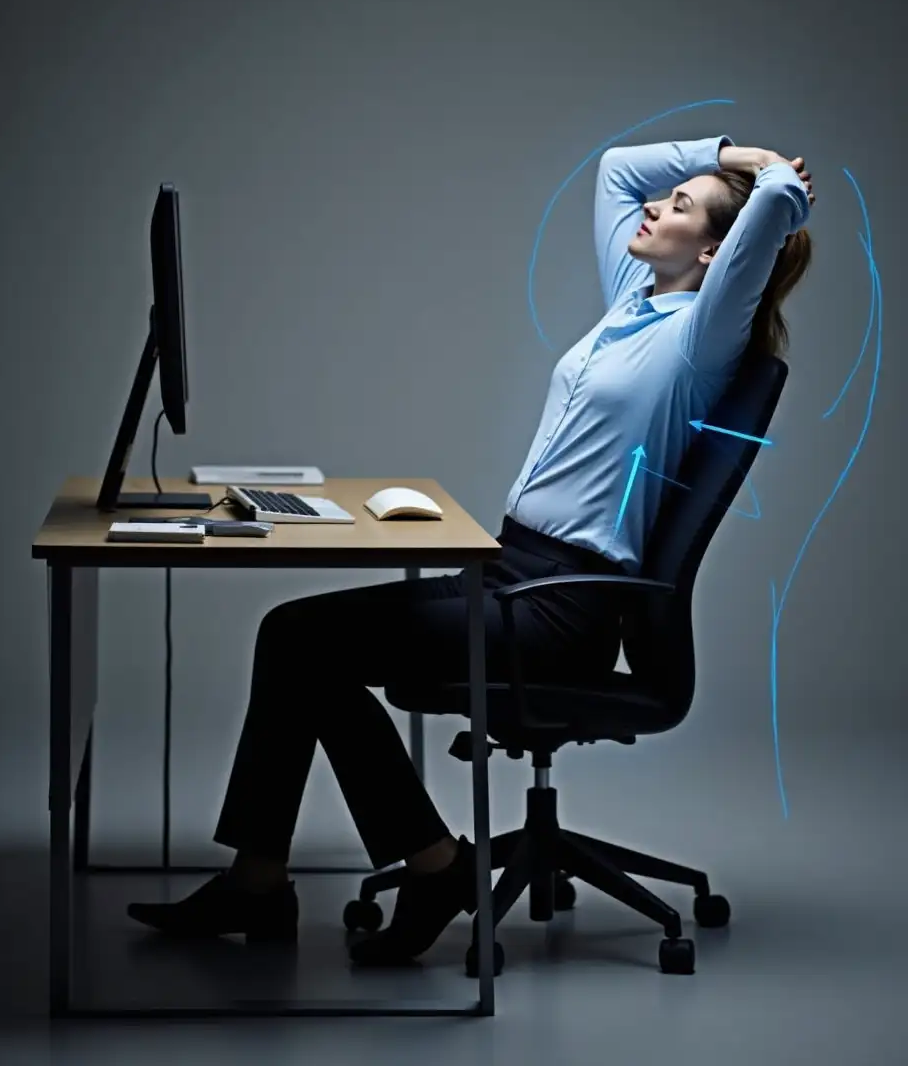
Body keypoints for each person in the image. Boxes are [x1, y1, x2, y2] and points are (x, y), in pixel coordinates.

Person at [127, 134, 814, 965]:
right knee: (295, 639)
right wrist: (722, 152)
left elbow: (775, 209)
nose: (653, 203)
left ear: (716, 252)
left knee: (301, 643)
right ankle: (278, 878)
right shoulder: (635, 298)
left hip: (561, 606)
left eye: (679, 206)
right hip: (504, 567)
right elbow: (614, 171)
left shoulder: (704, 337)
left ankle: (418, 868)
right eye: (665, 198)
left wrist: (768, 171)